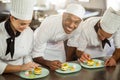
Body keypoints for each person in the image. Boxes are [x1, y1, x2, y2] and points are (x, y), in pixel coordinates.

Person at [32, 3, 85, 70]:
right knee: (42, 68)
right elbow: (36, 54)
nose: (71, 25)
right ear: (63, 15)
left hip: (58, 43)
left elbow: (72, 44)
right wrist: (47, 63)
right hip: (41, 41)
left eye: (76, 22)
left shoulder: (80, 26)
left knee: (62, 66)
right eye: (69, 19)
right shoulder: (49, 24)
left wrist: (68, 63)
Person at [0, 0, 39, 74]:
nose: (26, 27)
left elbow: (27, 55)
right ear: (12, 18)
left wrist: (30, 65)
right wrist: (20, 68)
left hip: (23, 72)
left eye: (28, 23)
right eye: (22, 24)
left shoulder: (29, 32)